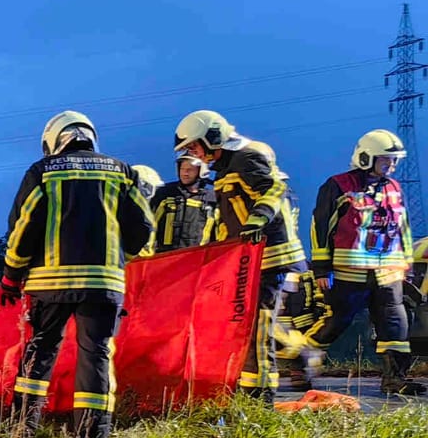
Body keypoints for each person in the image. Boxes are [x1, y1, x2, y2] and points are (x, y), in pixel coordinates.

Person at [0, 112, 154, 438]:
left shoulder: (42, 172)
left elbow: (23, 228)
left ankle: (21, 435)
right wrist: (119, 253)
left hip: (48, 283)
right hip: (104, 283)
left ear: (55, 140)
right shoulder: (123, 172)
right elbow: (143, 226)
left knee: (40, 351)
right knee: (96, 356)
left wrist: (11, 275)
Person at [174, 109, 306, 400]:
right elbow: (228, 220)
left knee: (258, 327)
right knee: (247, 325)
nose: (193, 153)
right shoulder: (225, 166)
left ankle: (260, 396)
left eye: (194, 146)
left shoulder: (248, 155)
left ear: (211, 138)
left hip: (269, 256)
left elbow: (274, 188)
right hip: (249, 260)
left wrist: (258, 217)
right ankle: (251, 389)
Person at [290, 130, 422, 396]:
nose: (392, 166)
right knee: (336, 322)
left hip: (388, 273)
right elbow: (321, 227)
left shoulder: (394, 188)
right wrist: (322, 268)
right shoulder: (338, 185)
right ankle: (299, 364)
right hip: (347, 273)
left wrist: (407, 264)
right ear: (366, 157)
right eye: (386, 160)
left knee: (395, 324)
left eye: (394, 161)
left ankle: (395, 379)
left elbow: (403, 228)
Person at [150, 153, 219, 253]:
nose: (185, 173)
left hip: (198, 259)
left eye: (190, 170)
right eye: (182, 169)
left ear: (201, 171)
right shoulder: (165, 193)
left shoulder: (212, 199)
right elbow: (150, 223)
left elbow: (219, 233)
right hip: (165, 257)